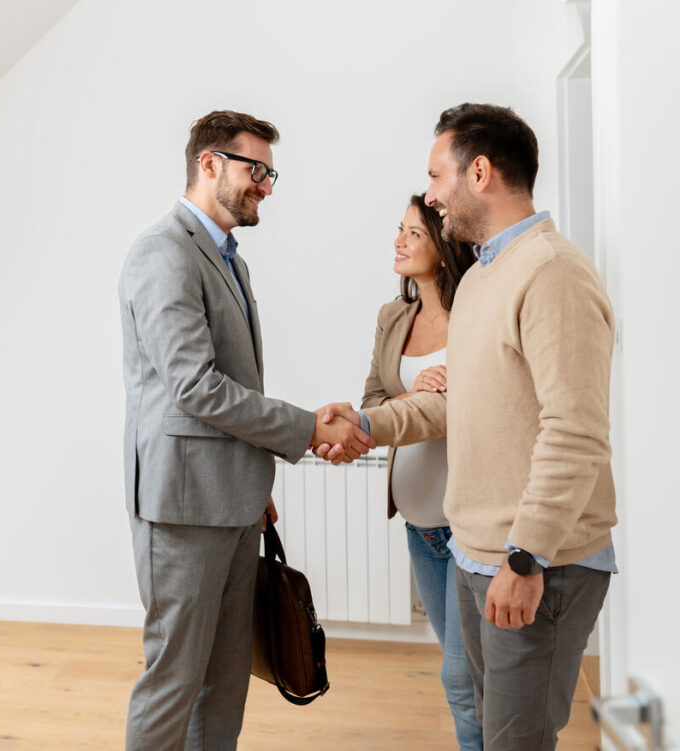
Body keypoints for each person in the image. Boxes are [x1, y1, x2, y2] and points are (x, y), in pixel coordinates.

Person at [318, 103, 617, 750]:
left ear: (478, 171)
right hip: (474, 553)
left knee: (517, 740)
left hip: (540, 561)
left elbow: (577, 430)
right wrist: (368, 419)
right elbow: (456, 402)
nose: (429, 195)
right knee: (486, 727)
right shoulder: (482, 276)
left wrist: (525, 554)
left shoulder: (552, 272)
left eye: (436, 176)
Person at [118, 110, 373, 751]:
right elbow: (195, 386)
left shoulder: (229, 258)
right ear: (210, 164)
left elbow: (233, 387)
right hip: (181, 507)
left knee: (226, 678)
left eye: (270, 172)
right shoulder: (163, 252)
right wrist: (304, 427)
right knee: (174, 678)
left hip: (230, 500)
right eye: (254, 169)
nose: (265, 184)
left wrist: (252, 481)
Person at [361, 194, 480, 749]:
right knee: (465, 672)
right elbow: (375, 397)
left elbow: (491, 407)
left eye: (414, 232)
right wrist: (414, 390)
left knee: (462, 676)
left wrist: (446, 385)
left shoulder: (479, 310)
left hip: (471, 524)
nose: (399, 241)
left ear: (444, 242)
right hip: (419, 525)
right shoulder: (393, 317)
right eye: (399, 230)